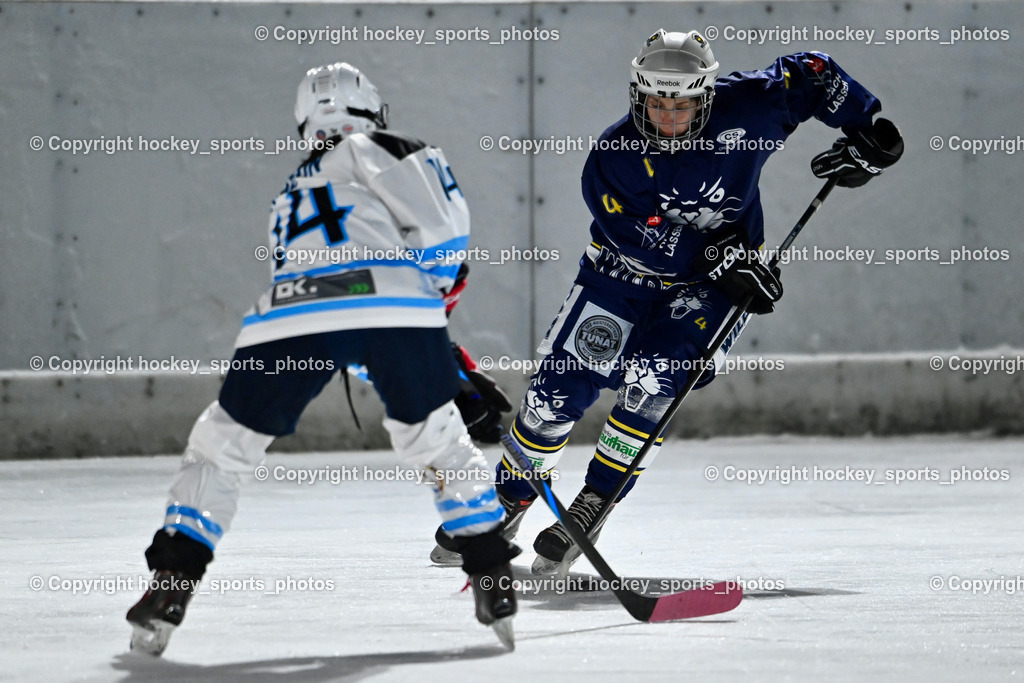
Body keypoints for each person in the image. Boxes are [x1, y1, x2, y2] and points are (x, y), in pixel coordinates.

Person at [431, 29, 903, 574]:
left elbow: (813, 72)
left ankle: (595, 501)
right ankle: (510, 497)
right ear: (638, 94)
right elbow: (645, 243)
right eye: (655, 101)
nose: (668, 115)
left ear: (706, 94)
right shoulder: (614, 158)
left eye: (681, 102)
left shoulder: (750, 107)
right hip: (621, 276)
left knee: (654, 383)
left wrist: (866, 132)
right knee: (555, 392)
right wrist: (723, 259)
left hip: (714, 287)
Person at [127, 62, 520, 655]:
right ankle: (492, 578)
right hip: (394, 308)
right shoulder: (392, 147)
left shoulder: (288, 193)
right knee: (437, 439)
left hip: (287, 314)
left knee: (222, 445)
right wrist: (433, 347)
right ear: (374, 111)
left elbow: (332, 319)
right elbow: (444, 236)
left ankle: (170, 585)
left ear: (305, 125)